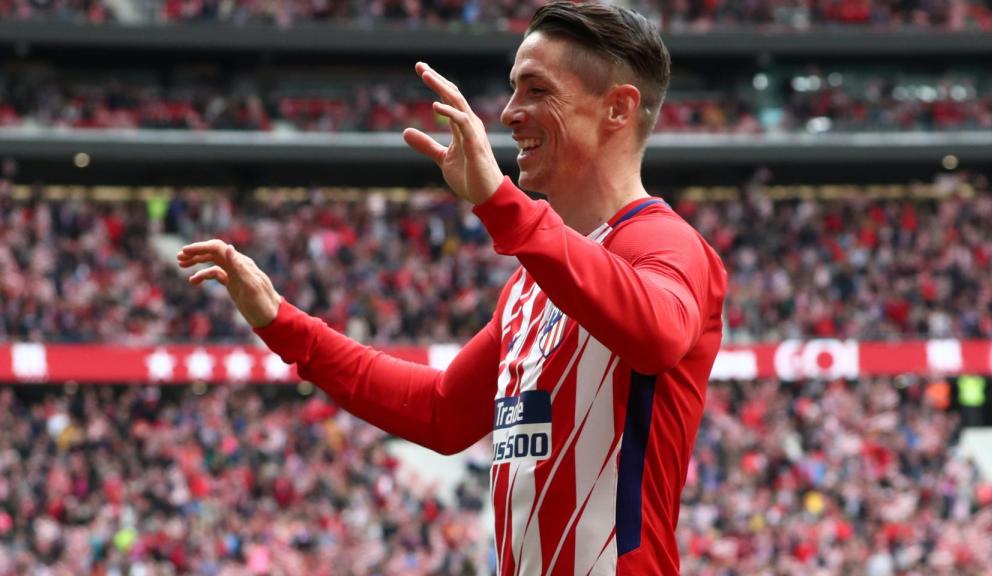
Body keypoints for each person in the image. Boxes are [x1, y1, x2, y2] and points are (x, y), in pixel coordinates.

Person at [177, 2, 727, 573]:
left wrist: (501, 203)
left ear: (618, 107)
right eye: (513, 90)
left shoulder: (667, 244)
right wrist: (284, 324)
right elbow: (440, 413)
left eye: (537, 90)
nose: (509, 113)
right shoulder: (529, 285)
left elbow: (656, 336)